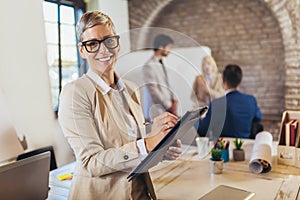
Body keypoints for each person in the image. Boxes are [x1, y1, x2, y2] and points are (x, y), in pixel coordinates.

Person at [58, 11, 182, 200]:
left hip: (140, 193)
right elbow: (92, 162)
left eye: (109, 40)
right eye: (92, 44)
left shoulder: (131, 89)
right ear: (82, 51)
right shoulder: (75, 93)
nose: (103, 50)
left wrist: (161, 147)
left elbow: (131, 146)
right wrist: (149, 144)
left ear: (117, 43)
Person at [196, 64, 262, 139]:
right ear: (240, 82)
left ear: (223, 82)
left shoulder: (217, 103)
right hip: (245, 146)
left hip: (223, 147)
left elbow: (203, 130)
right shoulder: (251, 100)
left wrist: (199, 118)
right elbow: (258, 118)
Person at [143, 34, 178, 121]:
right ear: (161, 47)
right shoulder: (149, 66)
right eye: (169, 47)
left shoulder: (162, 63)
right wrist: (169, 106)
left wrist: (174, 100)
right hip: (158, 111)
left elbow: (168, 84)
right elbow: (154, 91)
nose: (169, 50)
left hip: (169, 109)